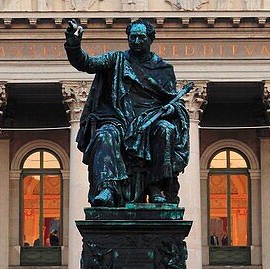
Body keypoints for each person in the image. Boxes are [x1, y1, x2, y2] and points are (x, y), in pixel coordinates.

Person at [63, 18, 190, 207]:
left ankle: (155, 187)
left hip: (151, 121)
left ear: (150, 39)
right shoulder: (116, 60)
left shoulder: (163, 69)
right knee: (105, 134)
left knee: (165, 129)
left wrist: (171, 109)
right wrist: (73, 45)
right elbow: (87, 63)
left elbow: (174, 103)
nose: (137, 41)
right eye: (133, 37)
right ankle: (108, 187)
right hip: (119, 119)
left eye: (141, 37)